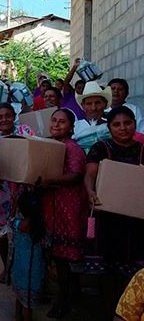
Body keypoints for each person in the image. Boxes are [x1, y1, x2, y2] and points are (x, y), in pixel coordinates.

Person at [84, 106, 144, 317]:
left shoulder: (142, 149)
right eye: (117, 124)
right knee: (107, 271)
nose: (123, 128)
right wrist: (90, 192)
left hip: (136, 221)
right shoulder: (101, 148)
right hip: (106, 216)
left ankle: (129, 311)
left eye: (127, 123)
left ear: (134, 124)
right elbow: (90, 175)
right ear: (109, 127)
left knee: (132, 270)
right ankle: (108, 311)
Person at [40, 108, 88, 318]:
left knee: (63, 257)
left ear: (71, 127)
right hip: (52, 206)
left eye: (62, 122)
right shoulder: (50, 145)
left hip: (68, 208)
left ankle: (64, 302)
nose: (56, 125)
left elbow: (75, 175)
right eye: (54, 121)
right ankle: (69, 295)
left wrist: (49, 181)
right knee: (57, 256)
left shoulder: (73, 148)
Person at [0, 103, 33, 284]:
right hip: (1, 193)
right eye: (0, 117)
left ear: (14, 116)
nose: (4, 119)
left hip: (24, 190)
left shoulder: (25, 131)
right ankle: (7, 268)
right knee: (2, 234)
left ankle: (26, 271)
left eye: (8, 115)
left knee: (25, 230)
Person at [10, 190, 46, 321]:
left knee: (19, 298)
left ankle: (17, 317)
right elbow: (47, 245)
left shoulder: (19, 224)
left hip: (19, 270)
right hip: (33, 272)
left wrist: (14, 206)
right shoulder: (40, 226)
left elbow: (10, 220)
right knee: (28, 304)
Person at [73, 81, 113, 153]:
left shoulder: (111, 128)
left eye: (97, 103)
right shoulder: (74, 127)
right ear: (83, 106)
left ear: (105, 104)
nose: (93, 108)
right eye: (89, 104)